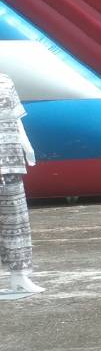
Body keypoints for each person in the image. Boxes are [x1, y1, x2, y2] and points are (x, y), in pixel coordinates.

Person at [0, 73, 42, 300]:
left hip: (10, 161)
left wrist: (27, 146)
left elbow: (16, 118)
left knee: (16, 222)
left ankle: (19, 276)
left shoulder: (5, 81)